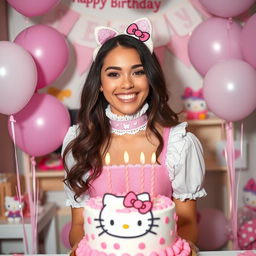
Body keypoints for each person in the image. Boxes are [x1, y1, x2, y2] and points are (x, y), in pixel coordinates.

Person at [62, 17, 206, 255]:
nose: (126, 84)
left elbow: (188, 222)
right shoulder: (81, 144)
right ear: (99, 83)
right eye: (114, 74)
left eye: (137, 72)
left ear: (150, 77)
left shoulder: (179, 144)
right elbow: (78, 225)